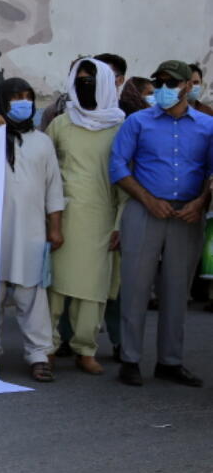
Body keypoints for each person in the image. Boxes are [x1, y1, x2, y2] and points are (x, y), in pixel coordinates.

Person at [112, 60, 213, 387]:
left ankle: (170, 360)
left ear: (187, 86)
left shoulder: (206, 126)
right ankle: (130, 358)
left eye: (172, 83)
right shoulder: (137, 122)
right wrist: (147, 199)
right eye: (160, 83)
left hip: (187, 214)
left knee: (176, 289)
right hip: (145, 209)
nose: (164, 89)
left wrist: (200, 203)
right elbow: (117, 166)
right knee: (135, 285)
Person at [45, 57, 124, 375]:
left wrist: (120, 223)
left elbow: (126, 179)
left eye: (91, 79)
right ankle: (45, 347)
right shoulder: (60, 124)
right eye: (80, 78)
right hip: (61, 217)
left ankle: (85, 349)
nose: (85, 84)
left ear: (105, 83)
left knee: (93, 290)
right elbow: (45, 171)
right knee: (55, 287)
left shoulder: (121, 126)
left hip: (101, 218)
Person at [0, 78, 66, 382]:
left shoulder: (42, 142)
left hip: (31, 231)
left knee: (31, 294)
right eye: (15, 97)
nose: (22, 102)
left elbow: (54, 188)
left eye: (27, 97)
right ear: (3, 102)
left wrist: (56, 227)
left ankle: (39, 354)